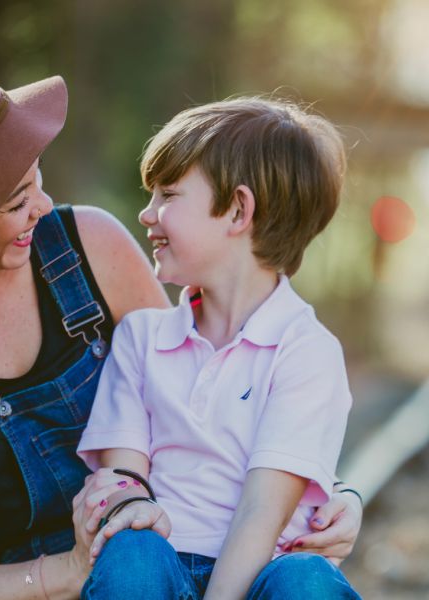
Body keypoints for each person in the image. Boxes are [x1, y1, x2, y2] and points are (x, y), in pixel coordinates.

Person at [0, 43, 363, 600]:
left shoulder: (91, 248)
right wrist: (73, 569)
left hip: (159, 568)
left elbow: (208, 412)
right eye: (16, 201)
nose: (43, 205)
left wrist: (327, 491)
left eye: (37, 179)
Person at [76, 98, 361, 599]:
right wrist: (123, 504)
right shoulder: (142, 338)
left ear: (237, 209)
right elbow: (125, 481)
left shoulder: (306, 351)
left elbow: (262, 513)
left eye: (167, 195)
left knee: (308, 582)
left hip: (259, 572)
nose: (147, 214)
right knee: (132, 553)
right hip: (159, 563)